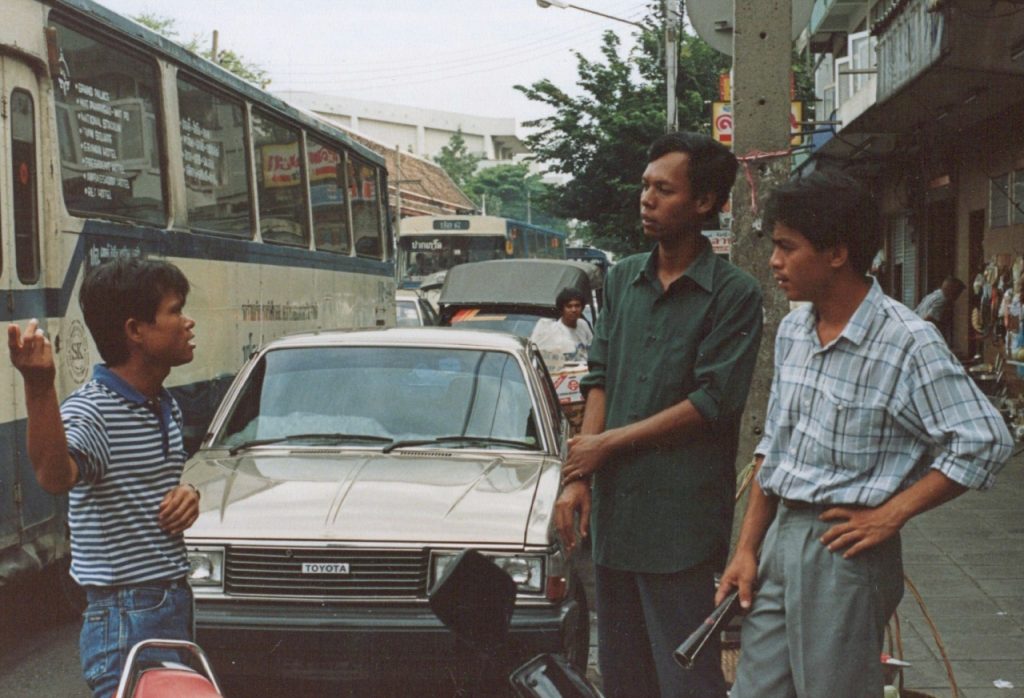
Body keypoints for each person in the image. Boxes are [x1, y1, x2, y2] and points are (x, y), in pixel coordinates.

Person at [716, 170, 1012, 698]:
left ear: (837, 252)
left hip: (842, 551)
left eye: (788, 247)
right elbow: (774, 450)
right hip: (780, 537)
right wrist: (746, 549)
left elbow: (984, 439)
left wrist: (893, 513)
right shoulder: (793, 331)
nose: (774, 262)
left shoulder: (907, 341)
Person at [555, 132, 764, 698]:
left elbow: (711, 403)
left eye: (663, 189)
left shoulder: (734, 293)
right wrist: (578, 478)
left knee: (686, 678)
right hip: (616, 523)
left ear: (704, 203)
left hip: (682, 526)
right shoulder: (622, 279)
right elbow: (599, 378)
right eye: (645, 186)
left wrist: (609, 446)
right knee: (624, 677)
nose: (646, 199)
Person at [7, 258, 201, 698]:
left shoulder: (162, 403)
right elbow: (55, 476)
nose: (187, 322)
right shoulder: (93, 410)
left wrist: (190, 492)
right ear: (135, 330)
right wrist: (40, 387)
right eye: (175, 310)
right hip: (127, 615)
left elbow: (148, 486)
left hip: (167, 604)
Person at [530, 286, 594, 367]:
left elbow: (593, 349)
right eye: (569, 306)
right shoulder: (553, 331)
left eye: (577, 306)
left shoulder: (583, 324)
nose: (574, 310)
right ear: (562, 309)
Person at [914, 275, 966, 341]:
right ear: (952, 290)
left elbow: (916, 311)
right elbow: (930, 318)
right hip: (926, 336)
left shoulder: (934, 294)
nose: (958, 296)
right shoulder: (942, 300)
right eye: (958, 292)